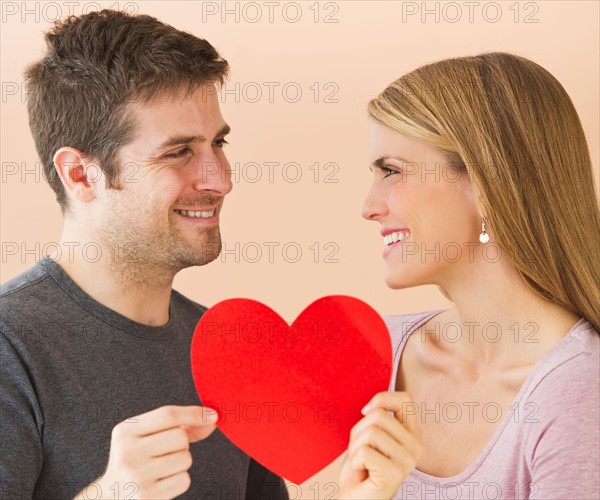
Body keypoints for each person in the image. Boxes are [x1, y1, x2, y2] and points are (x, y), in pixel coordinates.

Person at [0, 9, 289, 500]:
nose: (221, 179)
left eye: (218, 143)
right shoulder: (12, 349)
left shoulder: (232, 351)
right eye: (178, 152)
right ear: (80, 174)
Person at [337, 52, 600, 499]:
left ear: (484, 183)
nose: (368, 207)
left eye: (392, 172)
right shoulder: (379, 355)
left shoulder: (578, 392)